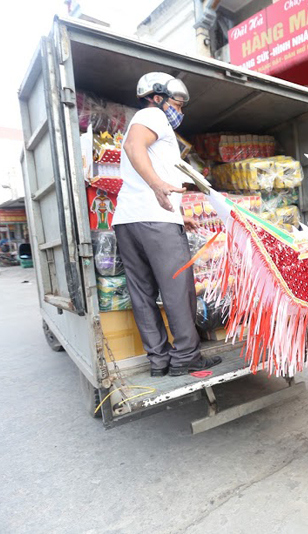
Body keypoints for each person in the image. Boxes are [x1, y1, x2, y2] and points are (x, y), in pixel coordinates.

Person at [113, 72, 221, 377]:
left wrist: (178, 214)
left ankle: (159, 361)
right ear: (157, 96)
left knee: (142, 294)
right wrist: (158, 185)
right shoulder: (153, 115)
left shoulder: (141, 120)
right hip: (155, 221)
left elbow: (138, 155)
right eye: (178, 102)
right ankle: (186, 356)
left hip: (128, 220)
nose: (181, 111)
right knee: (177, 290)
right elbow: (135, 148)